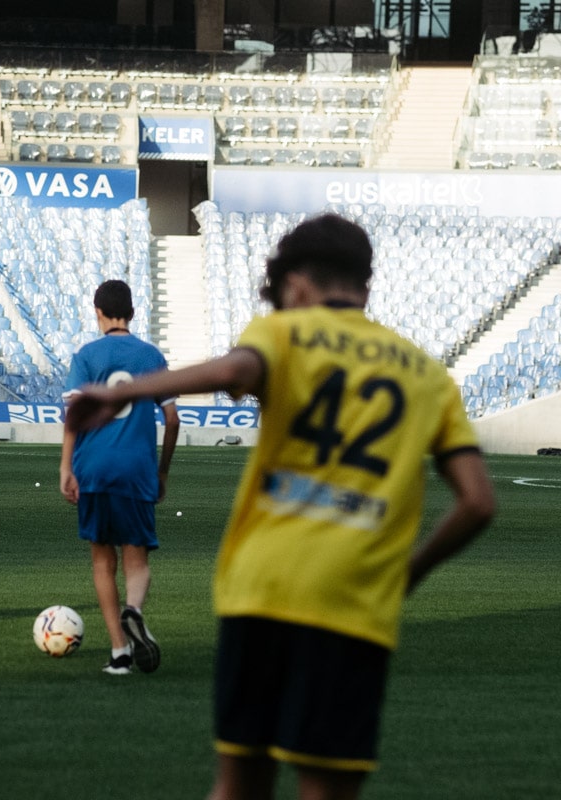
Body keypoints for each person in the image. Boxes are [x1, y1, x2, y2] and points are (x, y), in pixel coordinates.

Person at [66, 214, 495, 800]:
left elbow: (234, 370)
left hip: (262, 589)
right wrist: (407, 575)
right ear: (366, 282)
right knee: (325, 789)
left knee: (239, 785)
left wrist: (124, 391)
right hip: (355, 605)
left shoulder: (284, 333)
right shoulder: (426, 375)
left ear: (294, 284)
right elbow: (478, 502)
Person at [59, 279, 179, 676]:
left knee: (102, 561)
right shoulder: (150, 355)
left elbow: (73, 416)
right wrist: (162, 471)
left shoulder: (87, 356)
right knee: (136, 558)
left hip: (94, 469)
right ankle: (135, 610)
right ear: (132, 312)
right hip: (137, 469)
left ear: (98, 312)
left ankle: (119, 652)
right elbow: (172, 419)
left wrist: (66, 467)